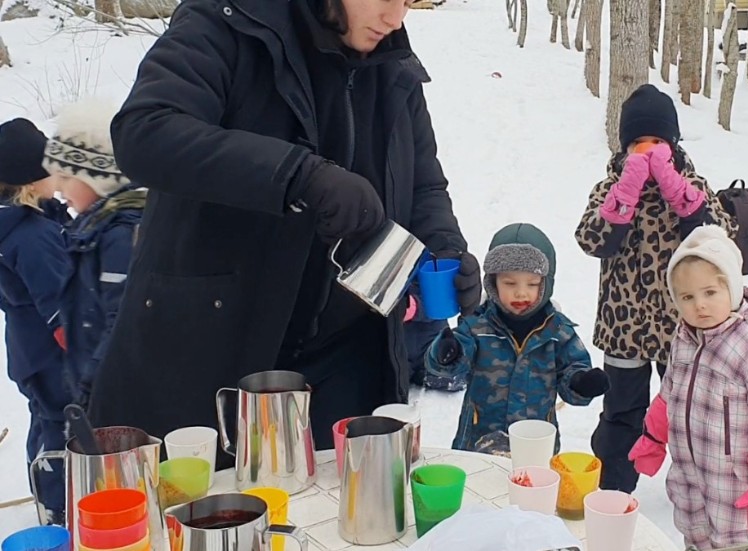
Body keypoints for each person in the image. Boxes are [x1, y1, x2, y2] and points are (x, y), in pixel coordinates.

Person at [88, 0, 480, 456]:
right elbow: (146, 132)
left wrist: (444, 248)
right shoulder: (229, 22)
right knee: (213, 520)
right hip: (215, 356)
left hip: (345, 366)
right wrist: (299, 176)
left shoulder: (393, 68)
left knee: (346, 520)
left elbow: (424, 186)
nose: (396, 19)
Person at [574, 83, 735, 492]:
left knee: (686, 411)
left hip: (680, 326)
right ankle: (613, 487)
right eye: (638, 143)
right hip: (623, 326)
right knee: (622, 412)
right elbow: (592, 240)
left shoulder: (692, 184)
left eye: (657, 142)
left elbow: (721, 235)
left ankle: (696, 487)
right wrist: (624, 195)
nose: (647, 151)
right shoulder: (608, 189)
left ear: (673, 145)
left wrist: (680, 193)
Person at [628, 225, 748, 550]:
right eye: (687, 297)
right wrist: (653, 437)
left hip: (740, 488)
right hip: (691, 479)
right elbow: (671, 393)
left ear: (732, 289)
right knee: (696, 540)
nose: (699, 306)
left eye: (710, 292)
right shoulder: (684, 338)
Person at [427, 223, 609, 453]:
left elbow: (572, 370)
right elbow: (451, 366)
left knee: (533, 488)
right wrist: (446, 353)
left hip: (535, 444)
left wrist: (581, 383)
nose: (521, 292)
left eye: (532, 284)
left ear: (546, 284)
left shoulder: (558, 331)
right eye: (509, 283)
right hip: (480, 441)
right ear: (492, 283)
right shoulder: (476, 325)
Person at [42, 99, 146, 410]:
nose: (58, 188)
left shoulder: (119, 235)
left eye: (66, 176)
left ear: (97, 177)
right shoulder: (95, 229)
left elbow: (122, 319)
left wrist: (92, 384)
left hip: (113, 395)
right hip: (98, 389)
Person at [0, 118, 72, 525]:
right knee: (60, 426)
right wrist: (88, 353)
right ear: (32, 180)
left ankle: (50, 500)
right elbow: (60, 309)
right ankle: (59, 510)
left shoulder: (25, 223)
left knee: (48, 419)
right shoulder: (31, 236)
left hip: (29, 352)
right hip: (50, 356)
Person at [404, 285, 466, 392]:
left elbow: (442, 301)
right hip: (396, 352)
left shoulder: (429, 272)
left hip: (431, 345)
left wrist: (415, 307)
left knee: (458, 374)